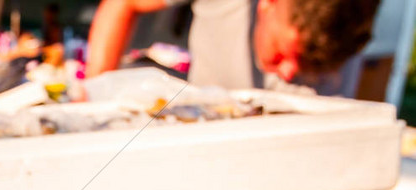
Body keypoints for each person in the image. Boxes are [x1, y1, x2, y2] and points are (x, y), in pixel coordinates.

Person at [86, 0, 381, 94]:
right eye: (283, 53)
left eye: (312, 63)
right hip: (200, 151)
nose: (289, 73)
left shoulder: (347, 21)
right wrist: (94, 102)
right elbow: (121, 5)